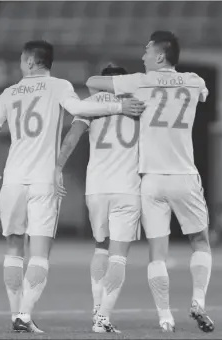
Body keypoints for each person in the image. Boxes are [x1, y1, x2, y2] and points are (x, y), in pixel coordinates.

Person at [0, 40, 146, 333]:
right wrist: (120, 104)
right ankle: (26, 314)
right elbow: (78, 108)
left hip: (13, 178)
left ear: (30, 62)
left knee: (14, 246)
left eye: (21, 60)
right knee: (41, 252)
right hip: (44, 178)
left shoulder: (9, 92)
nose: (20, 64)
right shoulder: (59, 86)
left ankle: (15, 314)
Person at [86, 31, 214, 333]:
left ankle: (165, 317)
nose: (143, 57)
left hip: (150, 179)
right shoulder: (194, 81)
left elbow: (93, 82)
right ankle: (198, 301)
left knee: (158, 251)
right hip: (184, 175)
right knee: (200, 242)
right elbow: (204, 92)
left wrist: (118, 96)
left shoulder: (139, 82)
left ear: (159, 56)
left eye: (146, 51)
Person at [55, 63, 141, 333]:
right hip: (126, 186)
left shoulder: (90, 103)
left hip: (96, 188)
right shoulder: (138, 103)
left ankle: (96, 307)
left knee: (101, 246)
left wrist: (57, 167)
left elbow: (71, 138)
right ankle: (103, 318)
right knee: (119, 255)